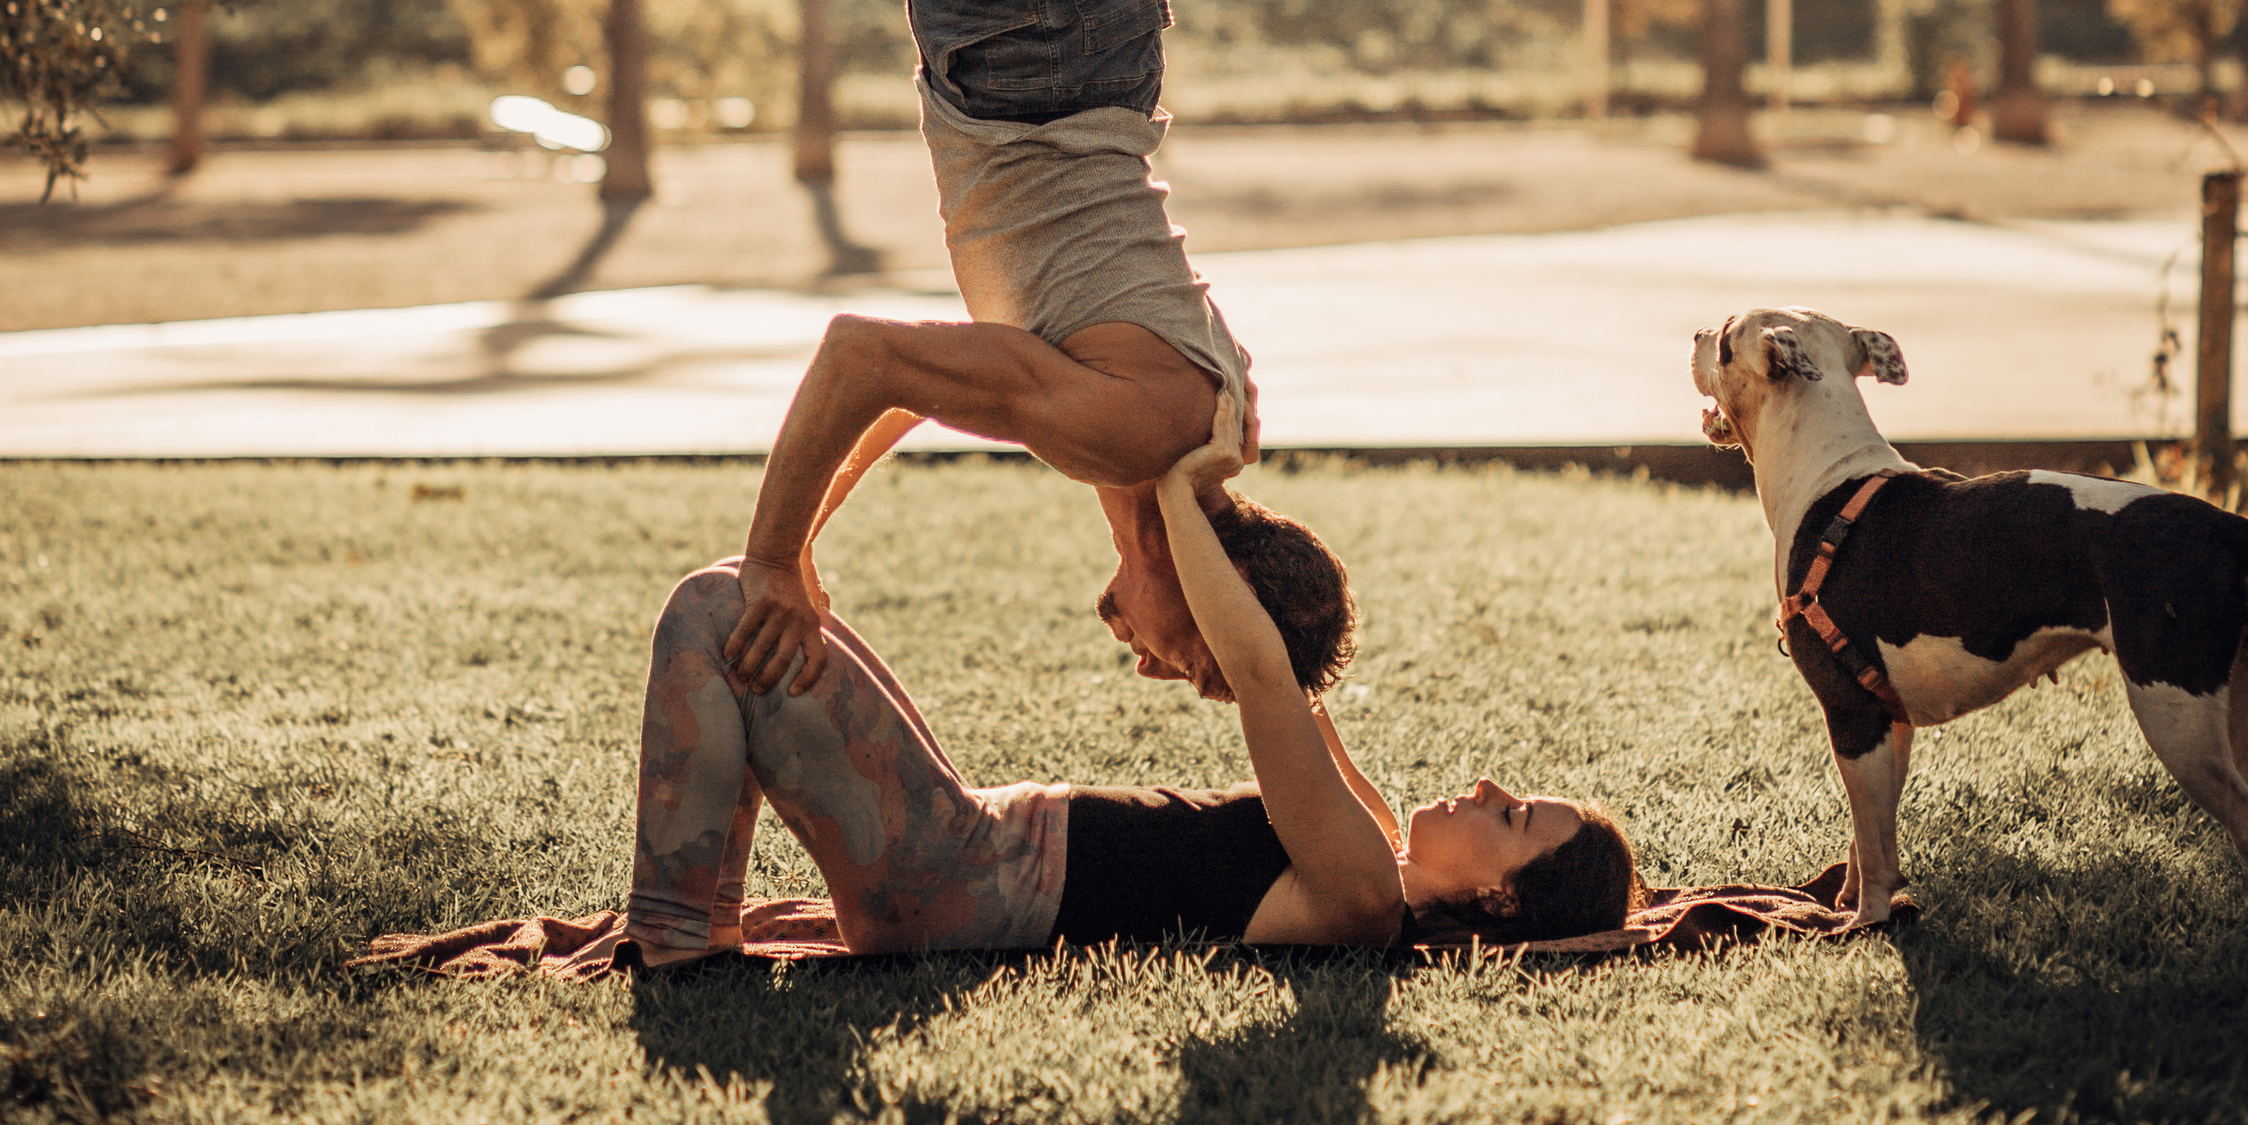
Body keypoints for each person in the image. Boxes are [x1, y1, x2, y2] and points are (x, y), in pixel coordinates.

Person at [728, 0, 1617, 702]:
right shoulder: (1134, 436)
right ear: (1213, 607)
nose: (1149, 668)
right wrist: (767, 560)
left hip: (1072, 58)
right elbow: (864, 358)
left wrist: (811, 530)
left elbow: (923, 384)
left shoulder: (1199, 439)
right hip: (1027, 50)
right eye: (1193, 663)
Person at [628, 413, 1638, 964]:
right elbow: (1291, 672)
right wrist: (1167, 462)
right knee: (753, 610)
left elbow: (1261, 677)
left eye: (1510, 817)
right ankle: (704, 920)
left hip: (955, 881)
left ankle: (678, 930)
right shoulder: (1370, 852)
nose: (1489, 786)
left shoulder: (1364, 896)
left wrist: (1175, 479)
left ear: (1499, 896)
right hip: (967, 848)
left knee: (719, 610)